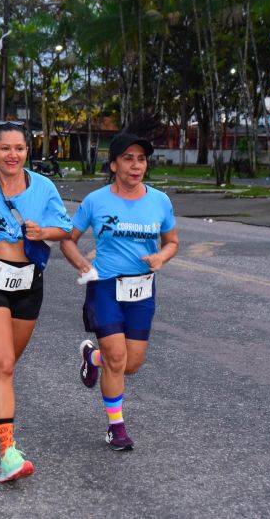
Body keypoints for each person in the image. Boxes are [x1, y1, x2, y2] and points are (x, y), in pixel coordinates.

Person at [0, 122, 72, 483]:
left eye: (19, 148)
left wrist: (44, 232)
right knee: (2, 362)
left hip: (28, 280)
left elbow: (65, 228)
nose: (13, 155)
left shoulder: (44, 187)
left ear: (26, 150)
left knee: (6, 361)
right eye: (5, 148)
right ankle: (9, 454)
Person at [59, 132, 179, 451]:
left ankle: (91, 358)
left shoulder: (159, 201)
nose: (136, 165)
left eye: (141, 159)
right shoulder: (96, 201)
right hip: (106, 286)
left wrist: (160, 257)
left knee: (131, 364)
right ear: (113, 165)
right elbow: (67, 238)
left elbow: (172, 242)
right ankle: (116, 427)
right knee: (117, 356)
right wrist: (82, 263)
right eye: (128, 158)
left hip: (142, 288)